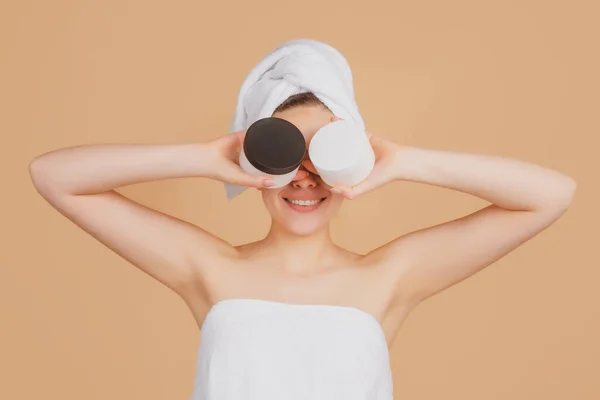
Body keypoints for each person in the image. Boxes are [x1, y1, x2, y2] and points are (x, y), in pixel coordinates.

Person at [29, 55, 577, 400]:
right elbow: (53, 176)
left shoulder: (387, 278)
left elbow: (551, 195)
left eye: (324, 153)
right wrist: (209, 155)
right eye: (285, 153)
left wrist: (404, 160)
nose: (305, 178)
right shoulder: (210, 268)